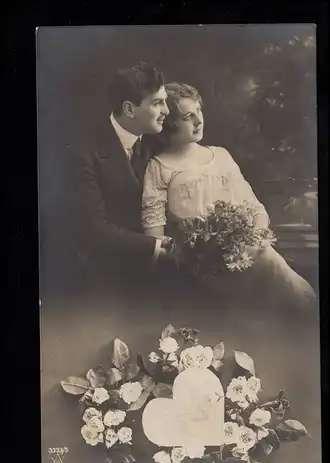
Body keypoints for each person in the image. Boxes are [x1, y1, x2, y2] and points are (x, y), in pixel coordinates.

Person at [141, 82, 317, 314]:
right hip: (198, 267)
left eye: (199, 111)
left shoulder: (221, 156)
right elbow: (154, 235)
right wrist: (194, 255)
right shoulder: (159, 167)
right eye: (188, 116)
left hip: (247, 256)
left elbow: (256, 209)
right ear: (171, 123)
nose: (198, 121)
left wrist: (253, 243)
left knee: (274, 271)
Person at [73, 62, 175, 290]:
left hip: (158, 271)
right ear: (129, 109)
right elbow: (93, 229)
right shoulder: (83, 152)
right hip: (103, 276)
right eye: (158, 103)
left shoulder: (157, 140)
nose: (166, 111)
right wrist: (157, 246)